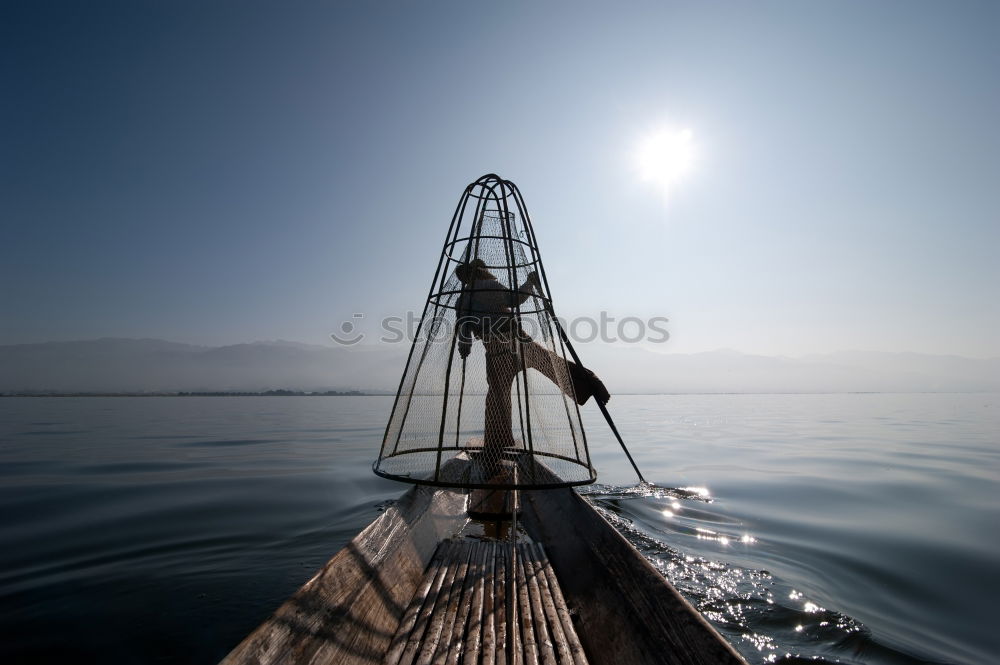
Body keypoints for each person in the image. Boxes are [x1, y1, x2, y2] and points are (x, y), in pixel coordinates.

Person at [454, 258, 610, 455]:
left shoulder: (461, 301)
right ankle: (592, 388)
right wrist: (529, 283)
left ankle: (498, 439)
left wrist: (464, 348)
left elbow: (464, 331)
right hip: (516, 341)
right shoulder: (486, 285)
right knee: (552, 365)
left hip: (495, 351)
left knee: (497, 395)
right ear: (480, 271)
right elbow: (514, 300)